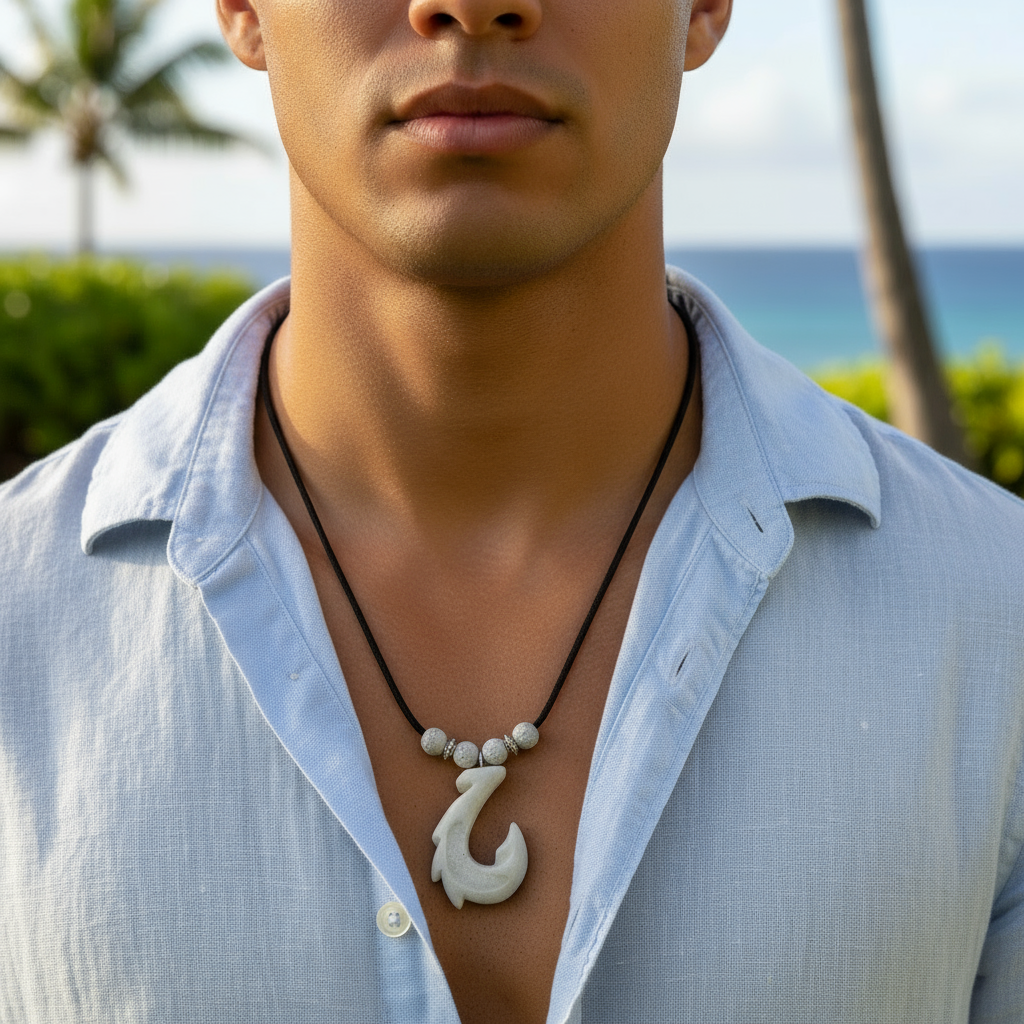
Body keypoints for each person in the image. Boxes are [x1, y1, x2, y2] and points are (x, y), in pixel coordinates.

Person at [0, 0, 1021, 1021]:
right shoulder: (21, 623)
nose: (472, 2)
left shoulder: (994, 629)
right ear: (239, 7)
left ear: (705, 6)